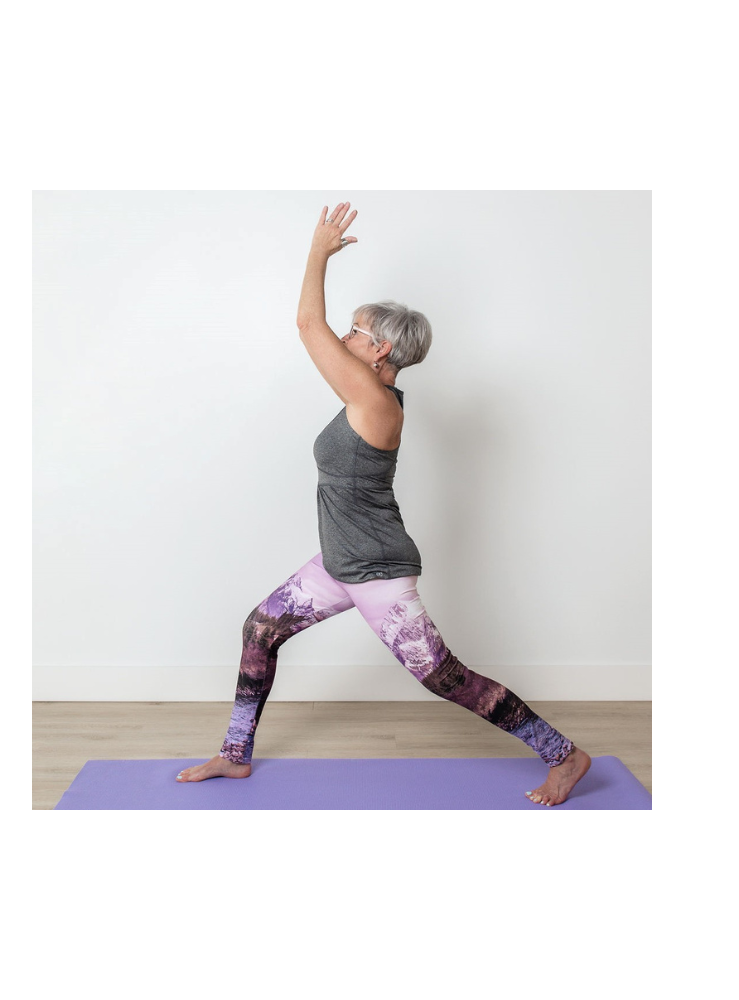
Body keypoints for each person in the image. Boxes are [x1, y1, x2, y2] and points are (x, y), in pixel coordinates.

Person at [175, 200, 592, 805]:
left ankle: (565, 754)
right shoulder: (367, 396)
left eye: (355, 330)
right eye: (348, 325)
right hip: (339, 563)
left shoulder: (375, 402)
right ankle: (234, 755)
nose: (344, 335)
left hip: (375, 568)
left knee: (443, 677)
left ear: (380, 351)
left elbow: (307, 327)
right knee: (260, 629)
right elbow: (321, 334)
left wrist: (316, 254)